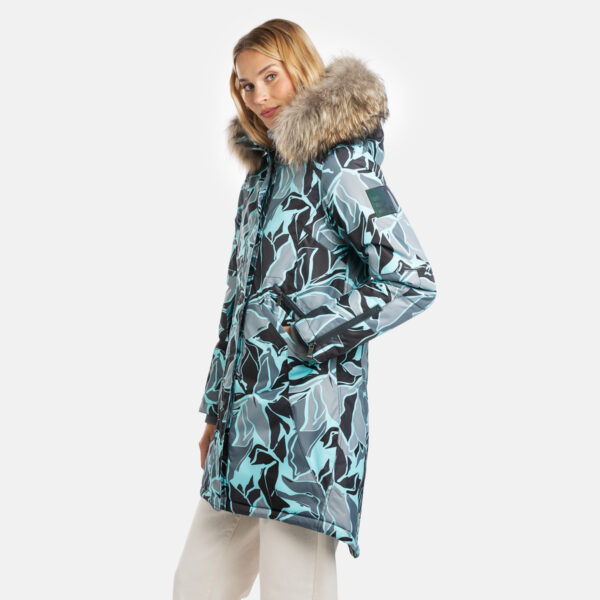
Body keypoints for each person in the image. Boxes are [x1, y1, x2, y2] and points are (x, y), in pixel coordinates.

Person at [173, 18, 437, 600]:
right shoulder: (261, 179)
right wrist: (215, 409)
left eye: (270, 76)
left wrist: (310, 334)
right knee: (195, 586)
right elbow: (235, 306)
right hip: (241, 428)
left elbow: (412, 279)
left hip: (307, 431)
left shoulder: (344, 165)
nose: (258, 96)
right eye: (245, 85)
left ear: (300, 67)